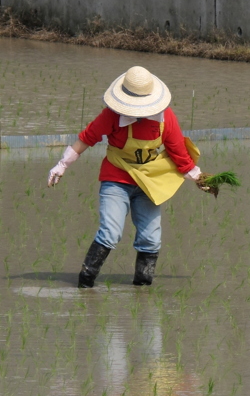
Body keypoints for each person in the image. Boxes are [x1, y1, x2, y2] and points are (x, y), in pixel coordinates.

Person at [47, 66, 207, 288]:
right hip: (116, 180)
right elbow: (87, 137)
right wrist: (62, 165)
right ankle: (85, 284)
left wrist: (200, 178)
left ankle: (142, 290)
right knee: (110, 233)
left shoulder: (165, 117)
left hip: (148, 181)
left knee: (151, 238)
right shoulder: (112, 115)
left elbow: (178, 150)